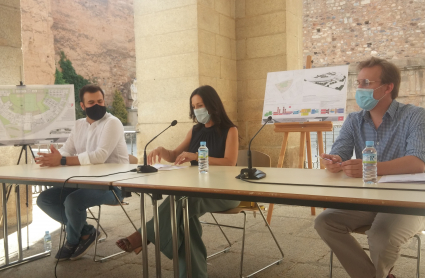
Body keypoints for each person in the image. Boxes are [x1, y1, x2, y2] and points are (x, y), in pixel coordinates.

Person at [315, 57, 425, 278]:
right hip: (366, 197)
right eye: (358, 83)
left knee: (381, 235)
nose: (360, 89)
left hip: (407, 199)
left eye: (367, 83)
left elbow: (418, 162)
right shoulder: (354, 120)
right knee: (325, 221)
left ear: (388, 88)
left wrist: (371, 167)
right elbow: (341, 151)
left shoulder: (415, 116)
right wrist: (333, 161)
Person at [116, 85, 239, 278]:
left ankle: (145, 233)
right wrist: (162, 150)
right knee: (183, 215)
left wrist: (196, 156)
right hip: (196, 189)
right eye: (194, 106)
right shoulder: (195, 130)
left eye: (200, 105)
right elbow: (175, 155)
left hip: (225, 191)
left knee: (182, 204)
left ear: (212, 105)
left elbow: (230, 162)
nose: (197, 109)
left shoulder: (229, 130)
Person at [35, 84, 129, 261]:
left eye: (100, 101)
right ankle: (86, 232)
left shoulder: (113, 123)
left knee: (73, 201)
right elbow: (67, 150)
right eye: (91, 102)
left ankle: (71, 241)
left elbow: (100, 155)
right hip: (82, 182)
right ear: (83, 106)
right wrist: (55, 156)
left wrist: (62, 161)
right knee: (44, 199)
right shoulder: (78, 125)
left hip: (113, 186)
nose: (97, 105)